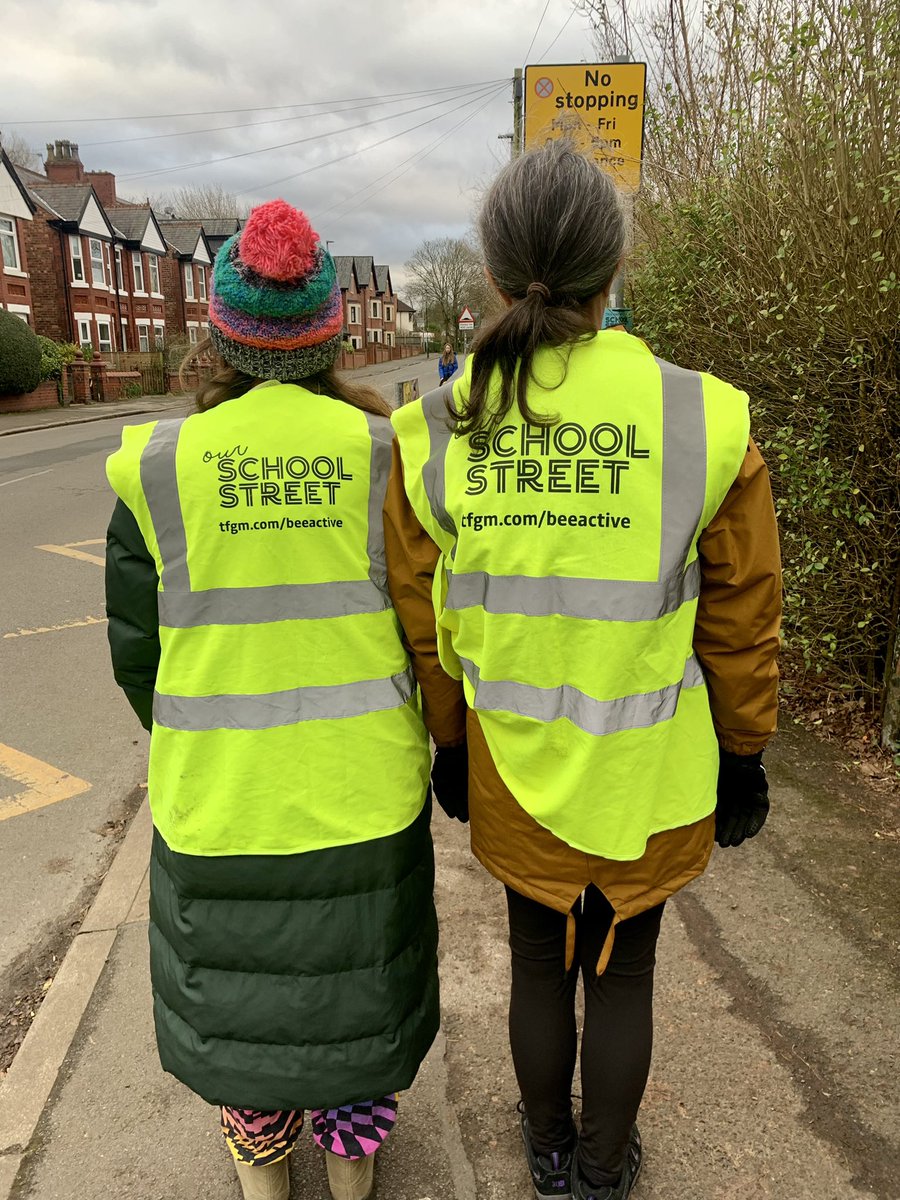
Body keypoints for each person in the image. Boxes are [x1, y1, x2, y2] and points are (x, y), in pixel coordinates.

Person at [386, 142, 781, 1200]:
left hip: (515, 770)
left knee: (532, 961)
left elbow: (429, 624)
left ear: (493, 271)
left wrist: (452, 744)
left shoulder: (433, 430)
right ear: (615, 267)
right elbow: (744, 615)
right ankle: (605, 1172)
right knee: (627, 972)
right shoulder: (702, 416)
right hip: (649, 775)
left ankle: (547, 1155)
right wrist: (743, 751)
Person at [104, 200, 438, 1200]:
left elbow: (139, 656)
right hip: (362, 789)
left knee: (247, 1004)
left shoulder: (159, 469)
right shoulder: (388, 454)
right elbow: (430, 630)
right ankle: (352, 1157)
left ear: (221, 334)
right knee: (357, 990)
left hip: (223, 798)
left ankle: (263, 1165)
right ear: (331, 330)